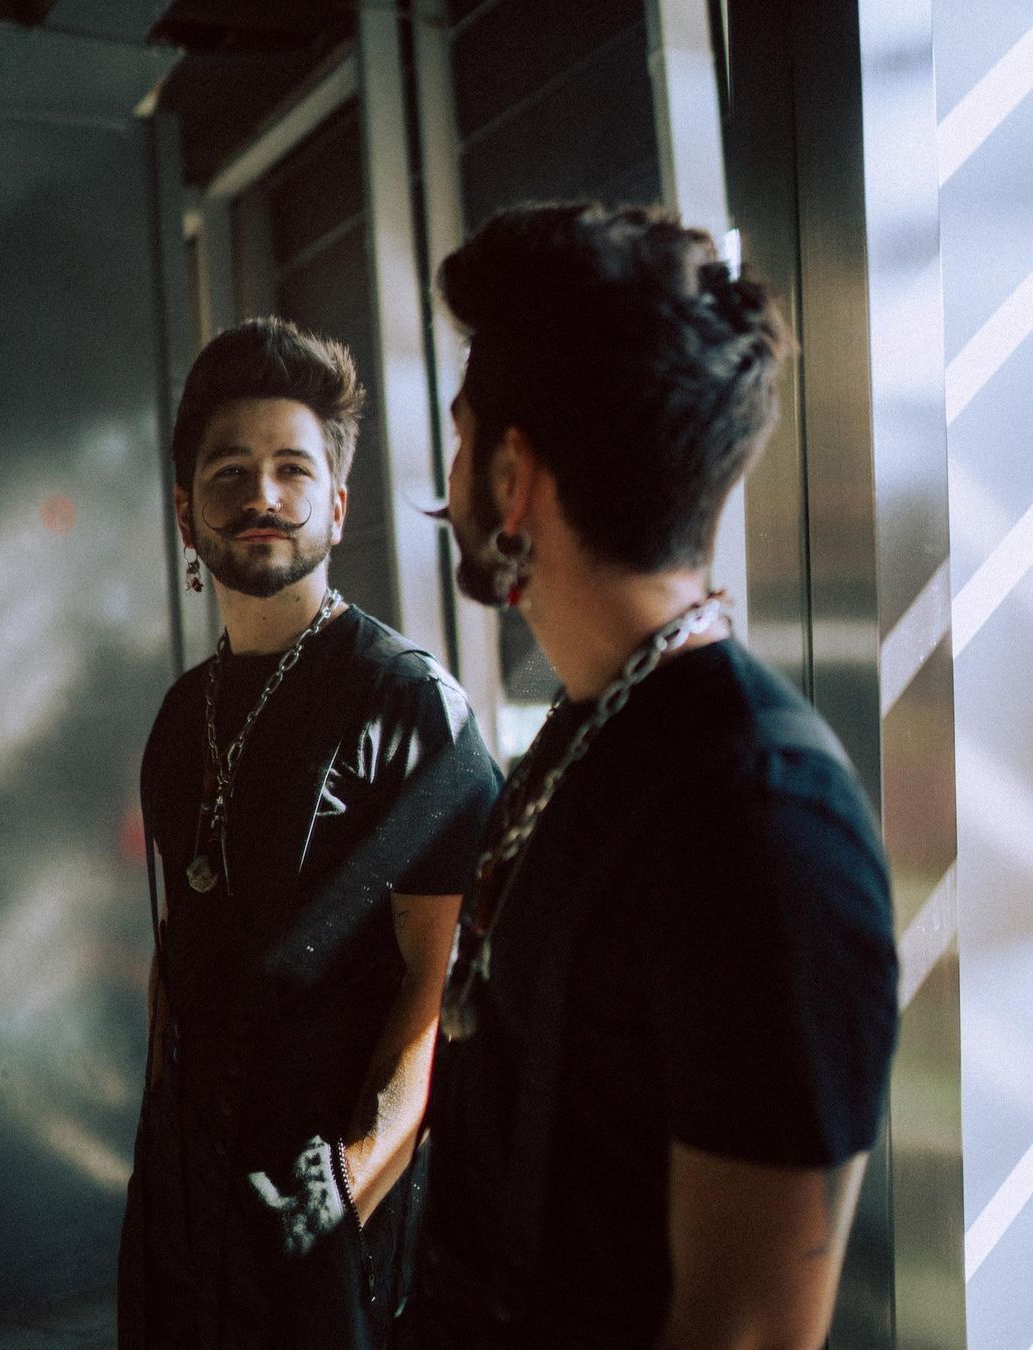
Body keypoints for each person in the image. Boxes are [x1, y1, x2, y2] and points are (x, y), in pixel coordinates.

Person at [405, 204, 899, 1349]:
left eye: (463, 437)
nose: (450, 474)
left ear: (514, 475)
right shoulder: (595, 730)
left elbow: (751, 1330)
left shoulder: (764, 815)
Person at [117, 317, 500, 1350]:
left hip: (333, 1226)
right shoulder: (180, 717)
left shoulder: (406, 704)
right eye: (229, 471)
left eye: (292, 468)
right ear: (186, 512)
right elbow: (177, 957)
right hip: (184, 1212)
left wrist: (342, 1194)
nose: (262, 495)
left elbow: (441, 989)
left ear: (335, 503)